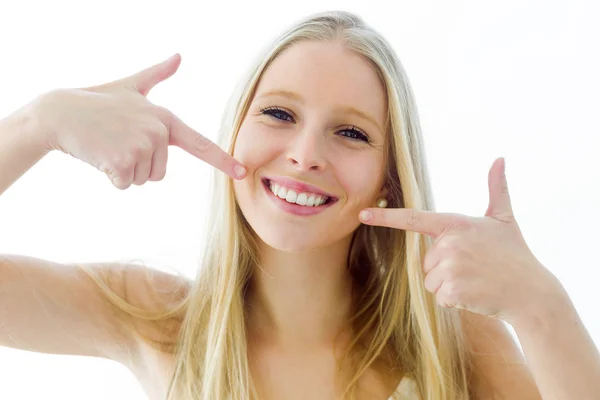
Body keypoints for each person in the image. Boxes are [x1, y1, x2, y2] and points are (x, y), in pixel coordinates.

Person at [1, 9, 599, 400]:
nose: (305, 154)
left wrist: (539, 303)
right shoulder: (153, 319)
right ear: (234, 132)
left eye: (351, 133)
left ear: (391, 179)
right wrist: (38, 122)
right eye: (279, 115)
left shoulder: (455, 342)